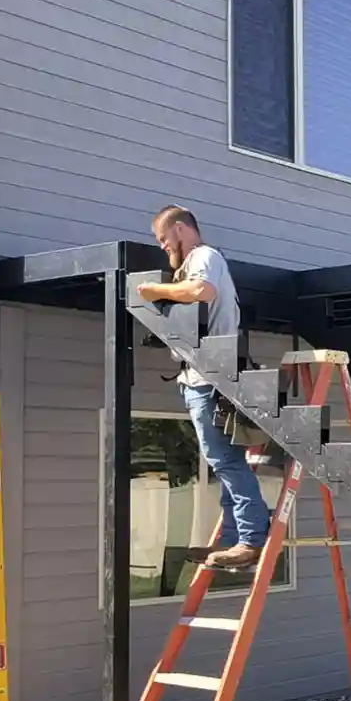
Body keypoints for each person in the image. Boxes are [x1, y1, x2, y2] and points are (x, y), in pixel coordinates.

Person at [135, 206, 269, 568]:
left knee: (225, 461)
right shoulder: (195, 261)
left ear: (181, 229)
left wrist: (152, 290)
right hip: (206, 375)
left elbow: (202, 290)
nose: (164, 247)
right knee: (225, 461)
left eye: (164, 239)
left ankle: (251, 539)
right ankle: (229, 540)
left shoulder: (203, 256)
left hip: (210, 376)